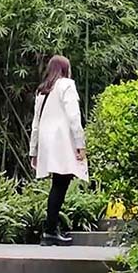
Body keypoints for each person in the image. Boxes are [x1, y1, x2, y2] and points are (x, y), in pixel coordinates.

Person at [29, 55, 89, 246]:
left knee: (58, 184)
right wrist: (80, 144)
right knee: (60, 185)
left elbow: (35, 124)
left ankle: (51, 229)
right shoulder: (67, 85)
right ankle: (50, 230)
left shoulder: (42, 91)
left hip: (47, 143)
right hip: (61, 142)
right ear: (65, 69)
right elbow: (74, 116)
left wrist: (34, 150)